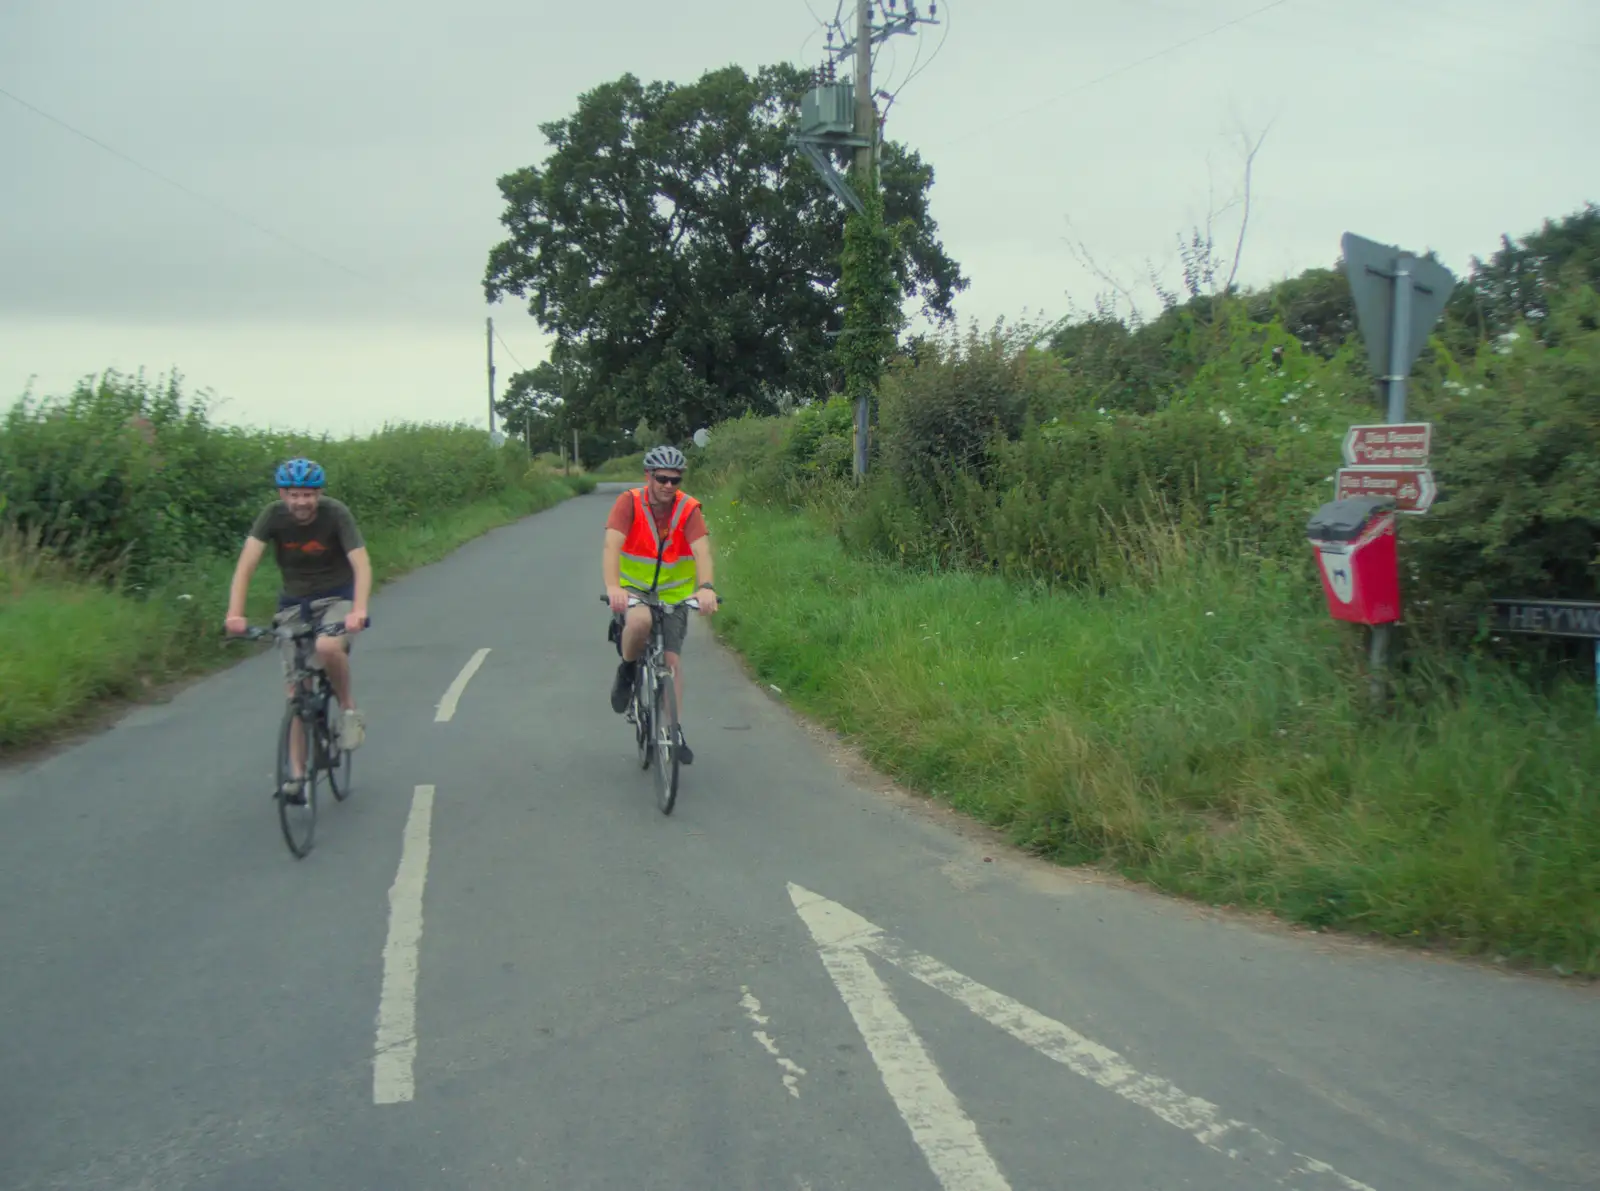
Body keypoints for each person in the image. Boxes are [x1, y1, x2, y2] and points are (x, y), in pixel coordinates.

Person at [224, 457, 372, 800]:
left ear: (318, 494)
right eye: (293, 494)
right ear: (282, 493)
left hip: (337, 599)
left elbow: (361, 565)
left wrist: (359, 610)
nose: (300, 502)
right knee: (296, 694)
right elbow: (246, 566)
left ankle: (349, 709)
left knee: (327, 647)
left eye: (308, 494)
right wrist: (235, 613)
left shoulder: (336, 514)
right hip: (293, 604)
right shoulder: (272, 517)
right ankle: (296, 778)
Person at [602, 444, 718, 763]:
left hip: (674, 596)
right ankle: (627, 669)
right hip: (635, 590)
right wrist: (614, 587)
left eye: (675, 480)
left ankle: (673, 729)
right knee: (639, 623)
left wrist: (706, 587)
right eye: (662, 478)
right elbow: (612, 547)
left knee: (671, 661)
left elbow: (702, 552)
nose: (669, 485)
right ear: (648, 476)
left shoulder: (688, 509)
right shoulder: (629, 503)